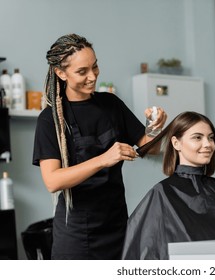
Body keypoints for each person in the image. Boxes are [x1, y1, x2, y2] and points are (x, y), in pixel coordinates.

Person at [32, 33, 167, 260]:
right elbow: (52, 180)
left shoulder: (111, 105)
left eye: (95, 67)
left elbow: (150, 148)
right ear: (61, 73)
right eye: (82, 71)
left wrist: (154, 128)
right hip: (76, 235)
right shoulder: (51, 120)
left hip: (117, 227)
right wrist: (104, 159)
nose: (92, 76)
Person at [121, 111, 215, 260]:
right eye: (197, 137)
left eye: (211, 138)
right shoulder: (162, 194)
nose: (208, 144)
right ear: (176, 143)